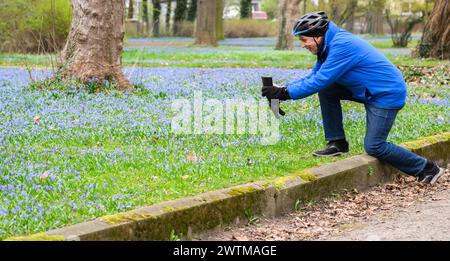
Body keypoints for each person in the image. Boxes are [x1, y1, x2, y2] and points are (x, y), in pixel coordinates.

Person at [261, 11, 444, 184]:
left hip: (386, 94)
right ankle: (337, 143)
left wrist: (285, 94)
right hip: (368, 90)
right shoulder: (327, 45)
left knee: (375, 146)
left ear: (317, 35)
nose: (303, 44)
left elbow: (320, 79)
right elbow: (315, 75)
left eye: (304, 39)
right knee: (328, 90)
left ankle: (427, 168)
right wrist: (284, 89)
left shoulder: (342, 45)